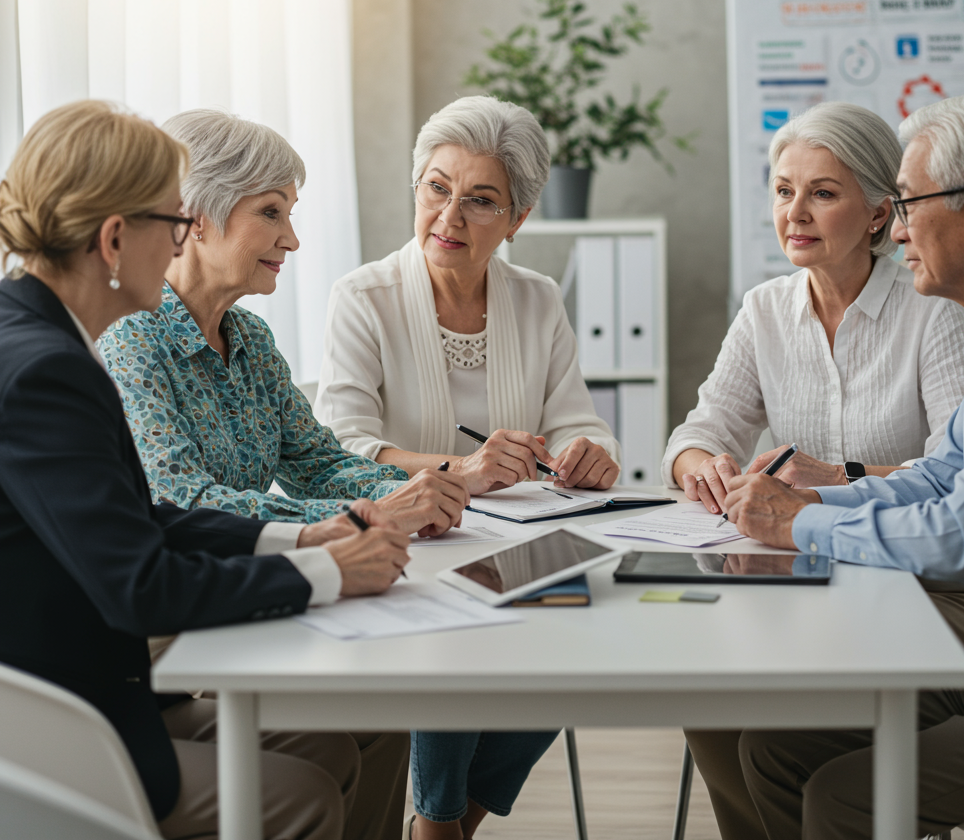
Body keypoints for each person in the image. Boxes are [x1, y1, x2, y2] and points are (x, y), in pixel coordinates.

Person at [0, 100, 411, 840]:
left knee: (353, 733)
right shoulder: (46, 372)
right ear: (115, 237)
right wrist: (329, 573)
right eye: (175, 223)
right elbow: (140, 586)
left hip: (92, 692)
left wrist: (302, 544)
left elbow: (140, 520)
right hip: (53, 732)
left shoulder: (39, 337)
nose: (182, 242)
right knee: (305, 795)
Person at [663, 102, 964, 840]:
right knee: (709, 704)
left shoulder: (933, 310)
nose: (794, 213)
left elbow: (959, 470)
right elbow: (699, 428)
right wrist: (702, 465)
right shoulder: (765, 309)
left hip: (920, 583)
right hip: (802, 574)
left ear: (877, 213)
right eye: (782, 191)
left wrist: (833, 474)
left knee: (777, 732)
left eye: (822, 193)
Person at [315, 95, 620, 840]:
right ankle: (440, 823)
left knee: (586, 624)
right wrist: (465, 468)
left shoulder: (538, 298)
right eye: (436, 189)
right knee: (455, 624)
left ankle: (444, 822)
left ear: (517, 219)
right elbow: (337, 453)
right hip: (405, 551)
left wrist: (589, 451)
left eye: (480, 200)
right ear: (416, 191)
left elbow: (574, 417)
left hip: (517, 549)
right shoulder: (363, 297)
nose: (449, 217)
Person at [101, 109, 469, 540]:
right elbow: (183, 501)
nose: (291, 239)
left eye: (289, 214)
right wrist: (368, 516)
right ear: (195, 216)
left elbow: (319, 466)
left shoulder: (250, 338)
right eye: (270, 212)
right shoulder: (128, 337)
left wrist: (430, 491)